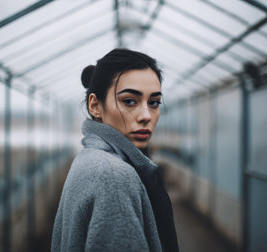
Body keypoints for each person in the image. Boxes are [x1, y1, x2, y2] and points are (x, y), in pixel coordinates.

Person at [51, 48, 179, 252]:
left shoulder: (91, 157)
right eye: (129, 101)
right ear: (95, 106)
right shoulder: (113, 176)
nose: (146, 115)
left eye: (154, 102)